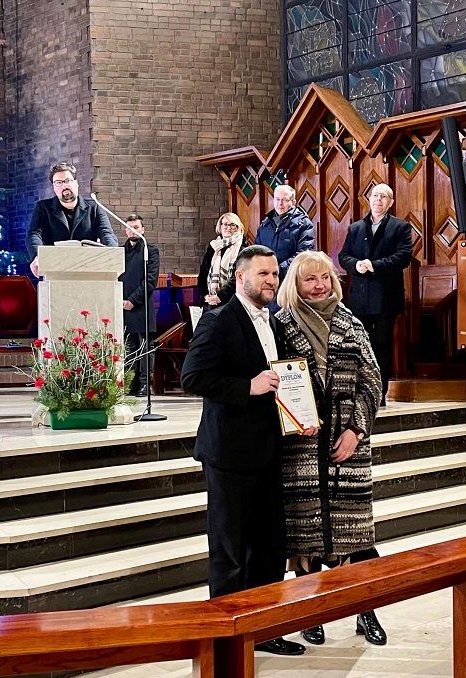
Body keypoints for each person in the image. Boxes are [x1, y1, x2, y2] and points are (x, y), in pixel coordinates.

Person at [180, 244, 306, 657]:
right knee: (230, 551)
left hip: (269, 449)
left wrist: (301, 414)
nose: (271, 280)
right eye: (263, 274)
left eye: (275, 274)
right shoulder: (219, 320)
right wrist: (245, 387)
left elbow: (284, 380)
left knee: (269, 547)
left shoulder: (276, 323)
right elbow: (193, 377)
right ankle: (226, 642)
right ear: (241, 277)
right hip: (229, 453)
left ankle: (264, 629)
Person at [276, 250, 386, 648]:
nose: (320, 285)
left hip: (347, 445)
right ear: (295, 284)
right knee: (305, 534)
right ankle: (312, 612)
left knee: (354, 533)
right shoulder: (280, 324)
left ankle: (365, 611)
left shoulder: (350, 323)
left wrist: (357, 429)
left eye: (325, 277)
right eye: (310, 279)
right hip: (300, 446)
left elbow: (372, 380)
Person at [338, 183, 412, 406]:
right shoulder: (356, 228)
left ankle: (379, 393)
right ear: (369, 199)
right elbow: (343, 256)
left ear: (390, 202)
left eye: (384, 196)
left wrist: (375, 265)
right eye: (375, 195)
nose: (378, 199)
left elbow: (403, 257)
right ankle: (360, 390)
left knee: (381, 344)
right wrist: (356, 264)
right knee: (359, 344)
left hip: (385, 297)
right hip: (359, 297)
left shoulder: (400, 227)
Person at [25, 162, 119, 277]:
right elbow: (34, 234)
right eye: (58, 183)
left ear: (76, 183)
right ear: (54, 187)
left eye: (67, 181)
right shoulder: (43, 208)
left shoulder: (94, 207)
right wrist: (37, 256)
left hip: (88, 268)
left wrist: (113, 254)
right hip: (55, 269)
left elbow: (106, 233)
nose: (64, 186)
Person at [118, 214, 160, 397]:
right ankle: (131, 383)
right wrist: (121, 300)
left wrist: (132, 301)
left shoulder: (150, 251)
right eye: (129, 227)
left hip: (141, 306)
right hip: (122, 305)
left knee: (145, 347)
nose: (132, 230)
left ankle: (145, 383)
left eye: (136, 227)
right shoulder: (120, 252)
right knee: (128, 346)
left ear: (143, 229)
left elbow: (150, 282)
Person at [255, 184, 315, 286]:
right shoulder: (265, 224)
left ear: (293, 202)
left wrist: (277, 271)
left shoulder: (304, 224)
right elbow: (257, 251)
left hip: (292, 280)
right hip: (266, 280)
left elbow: (304, 254)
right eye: (277, 199)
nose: (280, 203)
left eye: (285, 200)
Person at [197, 212, 247, 311]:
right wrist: (204, 296)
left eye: (232, 225)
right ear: (220, 227)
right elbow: (203, 274)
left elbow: (239, 277)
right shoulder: (213, 248)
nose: (228, 228)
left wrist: (221, 296)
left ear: (238, 228)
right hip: (210, 303)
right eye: (225, 224)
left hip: (232, 303)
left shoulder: (243, 250)